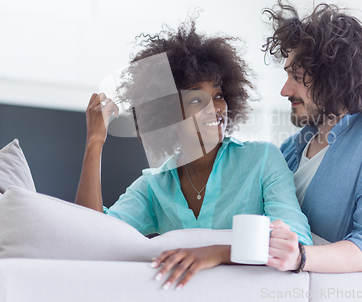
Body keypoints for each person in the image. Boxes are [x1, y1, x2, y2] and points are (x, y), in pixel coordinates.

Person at [76, 19, 313, 291]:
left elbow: (296, 239)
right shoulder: (154, 186)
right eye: (197, 100)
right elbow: (90, 237)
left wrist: (219, 252)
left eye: (219, 95)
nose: (215, 109)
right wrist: (95, 142)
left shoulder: (261, 160)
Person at [262, 0, 362, 273]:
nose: (285, 91)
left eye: (296, 77)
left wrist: (300, 257)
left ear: (334, 78)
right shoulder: (293, 146)